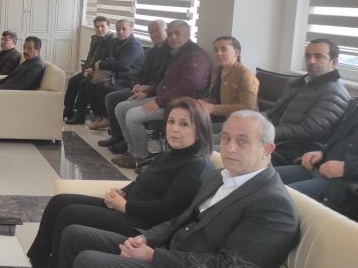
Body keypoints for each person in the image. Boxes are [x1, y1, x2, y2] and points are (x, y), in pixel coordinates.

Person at [56, 111, 299, 268]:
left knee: (89, 260)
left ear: (267, 149)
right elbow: (178, 221)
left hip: (175, 262)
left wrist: (153, 256)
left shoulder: (273, 204)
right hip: (167, 249)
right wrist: (145, 238)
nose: (230, 148)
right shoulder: (221, 176)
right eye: (225, 138)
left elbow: (230, 264)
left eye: (242, 141)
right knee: (75, 234)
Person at [27, 97, 215, 268]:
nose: (174, 129)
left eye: (183, 124)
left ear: (199, 131)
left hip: (142, 224)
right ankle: (37, 260)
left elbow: (168, 211)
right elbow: (143, 180)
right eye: (171, 121)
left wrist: (125, 206)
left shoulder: (195, 166)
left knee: (70, 214)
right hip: (130, 207)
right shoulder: (171, 153)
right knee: (59, 201)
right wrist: (123, 191)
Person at [112, 20, 211, 172]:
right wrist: (148, 92)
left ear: (188, 34)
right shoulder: (175, 52)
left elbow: (188, 85)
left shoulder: (195, 55)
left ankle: (140, 157)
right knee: (121, 107)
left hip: (181, 105)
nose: (172, 37)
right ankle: (131, 151)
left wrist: (159, 100)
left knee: (132, 116)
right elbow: (163, 82)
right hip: (164, 98)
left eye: (177, 33)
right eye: (170, 34)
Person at [265, 38, 350, 165]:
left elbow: (308, 131)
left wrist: (264, 131)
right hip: (271, 139)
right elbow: (273, 111)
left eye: (319, 56)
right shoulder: (298, 83)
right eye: (308, 56)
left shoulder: (335, 93)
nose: (311, 61)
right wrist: (252, 120)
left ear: (334, 62)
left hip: (293, 150)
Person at [278, 98, 358, 220]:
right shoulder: (354, 103)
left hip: (342, 184)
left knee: (279, 197)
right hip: (319, 166)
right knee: (262, 178)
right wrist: (322, 151)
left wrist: (346, 167)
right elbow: (336, 139)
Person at [99, 20, 171, 152]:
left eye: (157, 30)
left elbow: (165, 81)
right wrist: (137, 84)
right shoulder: (152, 52)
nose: (153, 34)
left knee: (117, 100)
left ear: (166, 31)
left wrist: (147, 90)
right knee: (111, 97)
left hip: (155, 93)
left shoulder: (171, 53)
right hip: (143, 87)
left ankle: (125, 142)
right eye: (151, 32)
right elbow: (142, 72)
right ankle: (117, 136)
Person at [81, 19, 144, 130]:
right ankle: (98, 117)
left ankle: (107, 118)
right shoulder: (115, 42)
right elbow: (108, 58)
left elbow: (122, 65)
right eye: (118, 29)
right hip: (116, 75)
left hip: (129, 79)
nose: (120, 32)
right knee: (89, 86)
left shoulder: (134, 45)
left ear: (131, 29)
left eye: (123, 29)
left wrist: (103, 64)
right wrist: (105, 63)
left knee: (102, 88)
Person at [196, 36, 259, 131]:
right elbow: (216, 97)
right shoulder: (217, 70)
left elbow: (248, 108)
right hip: (217, 117)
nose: (218, 53)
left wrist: (213, 108)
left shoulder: (245, 75)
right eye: (216, 50)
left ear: (236, 52)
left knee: (197, 130)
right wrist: (202, 103)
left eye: (224, 49)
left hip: (240, 123)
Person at [65, 16, 115, 124]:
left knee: (83, 83)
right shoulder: (95, 38)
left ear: (108, 26)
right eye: (97, 27)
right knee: (72, 81)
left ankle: (80, 114)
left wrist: (93, 70)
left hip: (102, 73)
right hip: (90, 69)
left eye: (102, 26)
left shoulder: (112, 41)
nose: (99, 29)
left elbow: (109, 61)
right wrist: (86, 68)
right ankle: (68, 110)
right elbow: (90, 56)